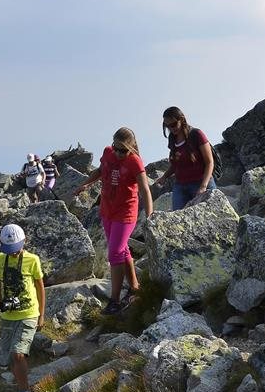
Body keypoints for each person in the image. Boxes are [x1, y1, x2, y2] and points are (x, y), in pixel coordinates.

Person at [77, 127, 153, 314]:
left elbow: (144, 189)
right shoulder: (108, 153)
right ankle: (135, 287)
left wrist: (150, 217)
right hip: (107, 211)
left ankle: (114, 300)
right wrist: (85, 184)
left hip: (126, 213)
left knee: (115, 253)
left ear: (131, 148)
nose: (118, 153)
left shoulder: (135, 162)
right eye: (116, 148)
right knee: (122, 249)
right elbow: (101, 170)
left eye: (123, 150)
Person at [0, 223, 46, 392]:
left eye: (15, 249)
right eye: (9, 250)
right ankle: (22, 391)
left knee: (18, 354)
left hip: (29, 314)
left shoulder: (32, 260)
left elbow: (40, 287)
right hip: (8, 316)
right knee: (10, 356)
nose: (12, 253)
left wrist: (41, 315)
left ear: (24, 242)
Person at [152, 106, 217, 210]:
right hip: (181, 186)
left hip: (201, 183)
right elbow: (176, 164)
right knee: (178, 218)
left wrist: (203, 186)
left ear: (181, 119)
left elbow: (209, 162)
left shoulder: (197, 134)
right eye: (167, 126)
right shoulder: (172, 139)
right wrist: (164, 177)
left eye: (173, 124)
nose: (171, 129)